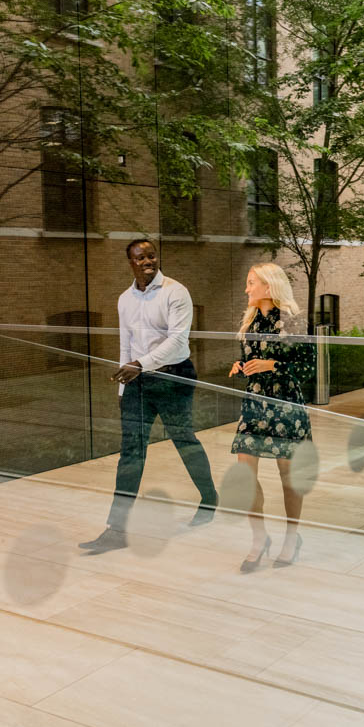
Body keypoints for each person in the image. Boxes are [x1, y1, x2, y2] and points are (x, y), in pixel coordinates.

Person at [80, 239, 218, 554]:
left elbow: (179, 342)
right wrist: (122, 386)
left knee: (183, 439)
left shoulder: (175, 292)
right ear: (130, 262)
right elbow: (125, 345)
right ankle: (117, 530)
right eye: (140, 257)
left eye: (151, 255)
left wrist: (140, 365)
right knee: (130, 453)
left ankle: (210, 498)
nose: (147, 261)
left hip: (174, 377)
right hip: (137, 382)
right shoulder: (124, 299)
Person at [229, 263, 314, 571]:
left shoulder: (292, 319)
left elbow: (308, 368)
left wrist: (271, 366)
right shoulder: (250, 322)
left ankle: (292, 537)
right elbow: (250, 358)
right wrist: (242, 366)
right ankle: (258, 538)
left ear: (268, 286)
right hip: (254, 406)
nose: (246, 289)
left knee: (289, 479)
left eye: (251, 283)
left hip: (286, 406)